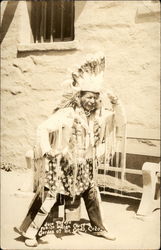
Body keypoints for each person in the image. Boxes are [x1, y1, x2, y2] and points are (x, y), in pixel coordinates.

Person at [15, 54, 126, 247]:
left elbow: (120, 122)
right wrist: (48, 150)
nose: (92, 101)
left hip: (86, 166)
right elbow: (43, 128)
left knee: (92, 196)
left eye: (95, 98)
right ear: (79, 97)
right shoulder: (66, 114)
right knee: (49, 197)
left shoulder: (99, 117)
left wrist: (116, 103)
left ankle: (99, 228)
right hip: (63, 164)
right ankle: (30, 233)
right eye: (88, 97)